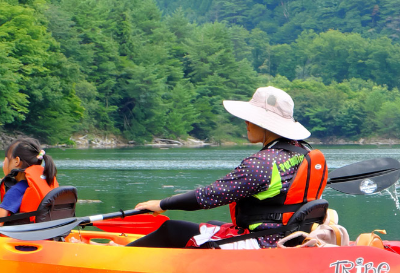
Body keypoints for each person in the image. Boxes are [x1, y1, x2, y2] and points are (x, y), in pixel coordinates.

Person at [129, 86, 327, 249]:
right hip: (289, 236)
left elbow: (209, 196)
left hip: (265, 242)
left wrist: (163, 204)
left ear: (266, 125)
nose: (247, 123)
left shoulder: (262, 164)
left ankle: (120, 258)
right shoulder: (302, 153)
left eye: (252, 119)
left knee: (172, 229)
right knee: (214, 225)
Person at [0, 137, 58, 235]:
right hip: (47, 235)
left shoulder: (16, 191)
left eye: (6, 159)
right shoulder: (46, 183)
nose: (3, 163)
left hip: (24, 243)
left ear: (16, 161)